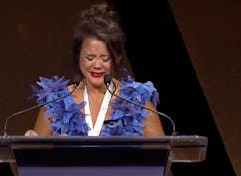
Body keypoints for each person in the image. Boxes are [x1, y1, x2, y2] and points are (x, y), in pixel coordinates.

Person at [24, 2, 165, 137]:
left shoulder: (137, 101)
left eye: (105, 58)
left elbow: (161, 158)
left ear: (117, 58)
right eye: (90, 58)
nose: (97, 65)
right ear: (78, 56)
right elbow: (34, 157)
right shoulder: (56, 102)